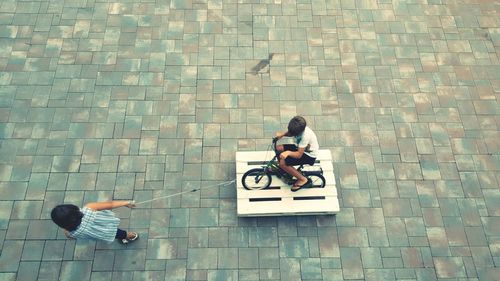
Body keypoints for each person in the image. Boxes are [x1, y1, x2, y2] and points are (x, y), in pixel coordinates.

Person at [51, 201, 138, 244]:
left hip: (102, 234)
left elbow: (71, 237)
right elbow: (110, 204)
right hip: (107, 226)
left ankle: (126, 236)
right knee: (121, 233)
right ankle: (132, 236)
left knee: (118, 234)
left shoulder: (70, 233)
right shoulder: (89, 208)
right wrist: (126, 203)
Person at [275, 116, 319, 191]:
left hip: (308, 155)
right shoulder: (299, 128)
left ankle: (302, 179)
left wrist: (288, 153)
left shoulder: (305, 137)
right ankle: (287, 169)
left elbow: (299, 155)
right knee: (278, 148)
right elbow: (291, 133)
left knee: (282, 163)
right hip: (300, 148)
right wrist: (282, 134)